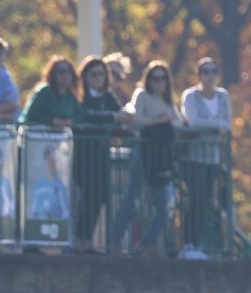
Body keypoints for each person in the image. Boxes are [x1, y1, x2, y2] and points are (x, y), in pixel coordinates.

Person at [107, 61, 183, 253]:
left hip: (162, 157)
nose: (159, 82)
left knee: (165, 205)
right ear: (148, 80)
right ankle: (114, 238)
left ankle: (147, 243)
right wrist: (157, 121)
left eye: (163, 78)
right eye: (155, 78)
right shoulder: (142, 95)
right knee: (133, 198)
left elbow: (180, 123)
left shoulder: (168, 101)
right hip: (143, 152)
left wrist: (166, 121)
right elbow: (134, 120)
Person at [178, 57, 229, 258]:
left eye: (213, 71)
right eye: (205, 71)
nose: (210, 76)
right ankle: (187, 243)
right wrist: (215, 126)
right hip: (194, 157)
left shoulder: (223, 96)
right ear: (199, 75)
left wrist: (212, 125)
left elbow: (228, 124)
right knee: (196, 199)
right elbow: (193, 121)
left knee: (207, 200)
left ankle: (197, 244)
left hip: (214, 157)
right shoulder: (191, 96)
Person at [73, 55, 122, 249]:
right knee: (89, 195)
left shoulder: (108, 97)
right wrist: (111, 118)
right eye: (93, 74)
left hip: (101, 155)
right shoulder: (79, 96)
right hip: (83, 155)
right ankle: (79, 239)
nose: (98, 78)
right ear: (85, 76)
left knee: (101, 197)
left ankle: (86, 240)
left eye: (102, 74)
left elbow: (119, 114)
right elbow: (85, 117)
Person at [20, 55, 80, 129]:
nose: (66, 74)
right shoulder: (44, 90)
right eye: (61, 71)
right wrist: (52, 121)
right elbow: (31, 114)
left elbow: (81, 115)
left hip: (58, 136)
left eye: (69, 71)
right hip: (35, 134)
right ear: (53, 74)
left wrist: (71, 121)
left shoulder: (70, 95)